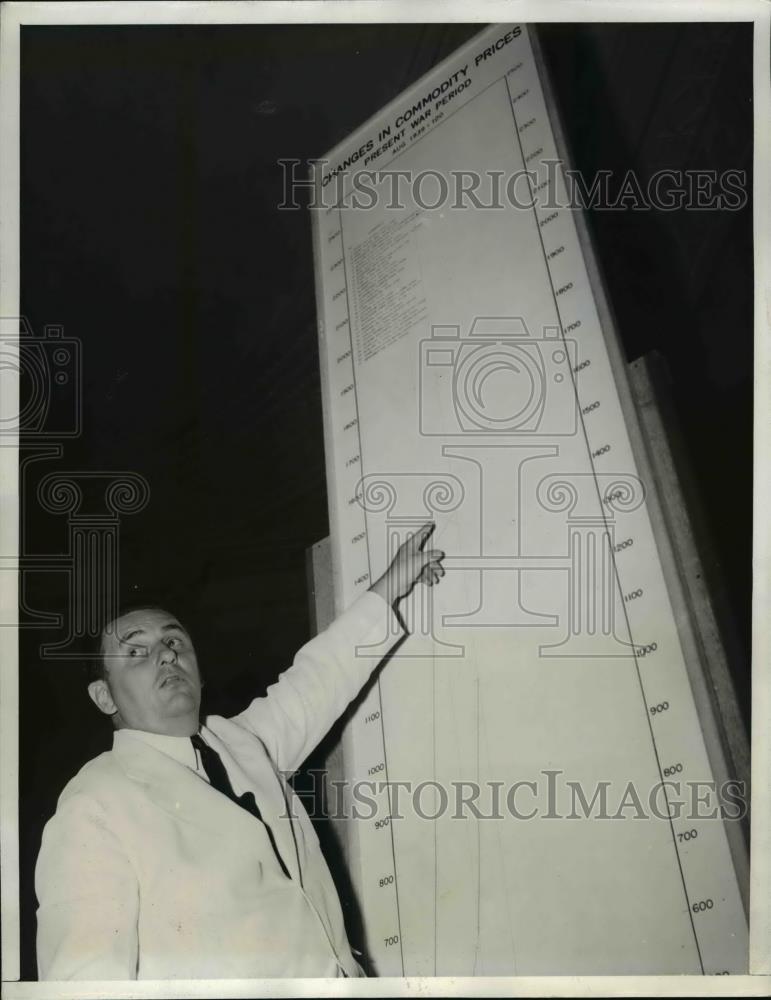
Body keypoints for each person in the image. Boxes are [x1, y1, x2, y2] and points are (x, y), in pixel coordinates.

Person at [35, 523, 445, 980]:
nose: (166, 655)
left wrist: (389, 588)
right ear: (104, 697)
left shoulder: (241, 743)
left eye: (173, 641)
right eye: (136, 652)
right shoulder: (94, 805)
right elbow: (82, 982)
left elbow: (319, 680)